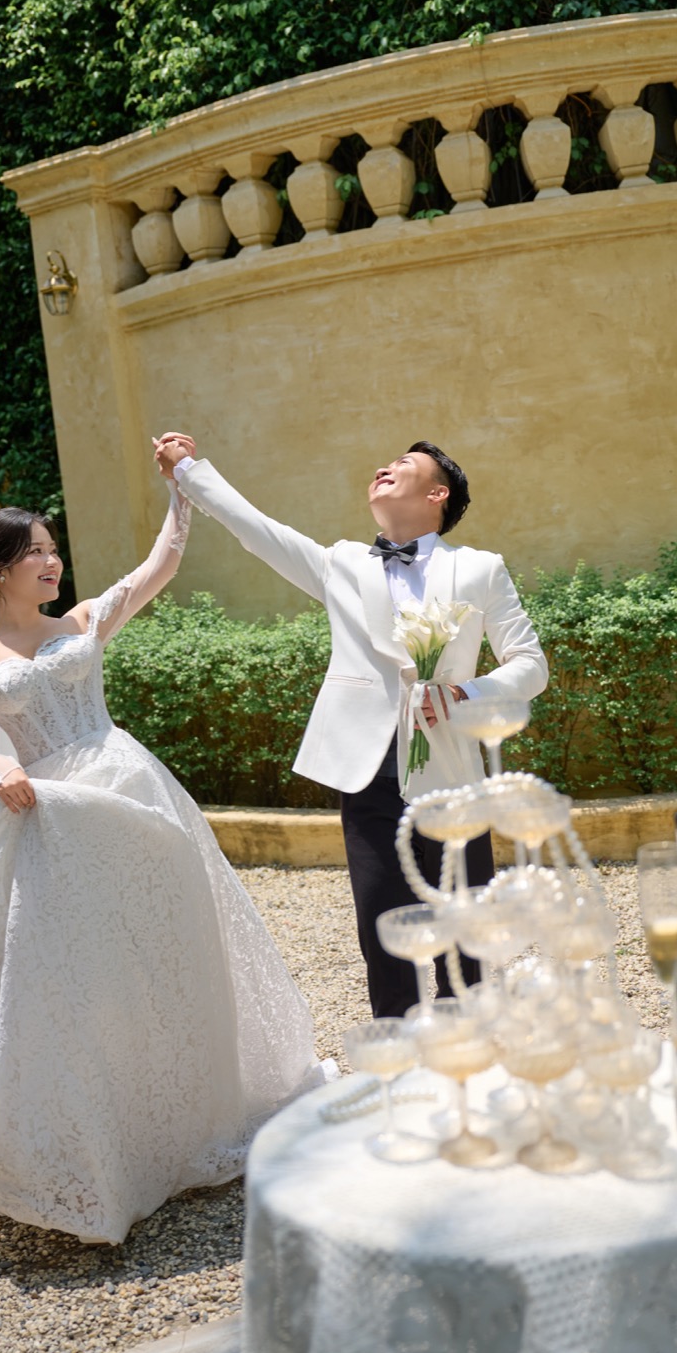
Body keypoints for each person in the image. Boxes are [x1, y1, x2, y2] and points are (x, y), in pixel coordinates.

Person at [0, 478, 330, 1245]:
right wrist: (3, 773)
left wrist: (181, 493)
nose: (52, 562)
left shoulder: (85, 619)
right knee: (73, 975)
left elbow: (159, 565)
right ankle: (100, 1137)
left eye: (54, 550)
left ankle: (187, 1112)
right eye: (36, 552)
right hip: (50, 816)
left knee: (162, 953)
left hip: (130, 794)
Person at [153, 433, 548, 1019]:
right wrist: (187, 470)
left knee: (465, 928)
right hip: (367, 770)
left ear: (438, 492)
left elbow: (530, 665)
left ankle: (476, 1055)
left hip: (451, 768)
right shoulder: (341, 561)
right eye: (384, 462)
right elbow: (256, 528)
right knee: (386, 929)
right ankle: (401, 1065)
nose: (385, 467)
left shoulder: (480, 569)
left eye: (404, 464)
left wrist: (468, 691)